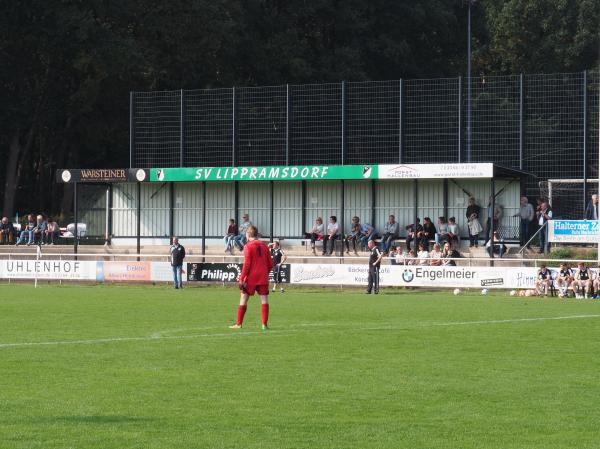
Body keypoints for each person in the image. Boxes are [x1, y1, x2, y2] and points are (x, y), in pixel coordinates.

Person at [229, 225, 273, 330]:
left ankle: (239, 324)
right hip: (263, 277)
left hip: (251, 278)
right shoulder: (264, 246)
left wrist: (241, 278)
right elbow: (270, 264)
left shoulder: (248, 246)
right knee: (264, 300)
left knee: (243, 298)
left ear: (248, 235)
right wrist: (264, 273)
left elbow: (247, 264)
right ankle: (264, 325)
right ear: (256, 234)